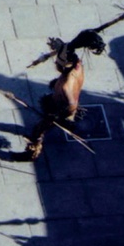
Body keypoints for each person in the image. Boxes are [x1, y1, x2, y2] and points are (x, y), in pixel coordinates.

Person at [16, 29, 106, 162]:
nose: (55, 64)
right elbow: (68, 51)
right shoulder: (76, 64)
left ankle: (32, 152)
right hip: (59, 100)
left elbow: (70, 104)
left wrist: (55, 116)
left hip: (61, 109)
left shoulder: (66, 87)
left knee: (38, 130)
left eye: (57, 63)